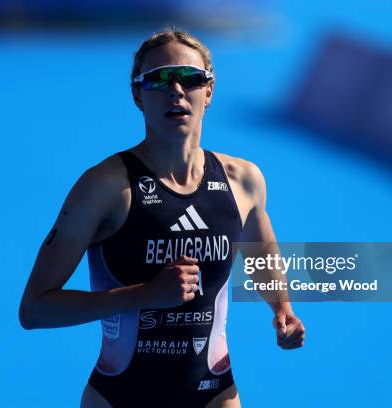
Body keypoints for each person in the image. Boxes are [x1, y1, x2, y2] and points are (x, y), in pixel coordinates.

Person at [19, 30, 305, 408]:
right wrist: (145, 295)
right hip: (120, 397)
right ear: (137, 95)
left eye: (190, 78)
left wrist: (282, 308)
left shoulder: (244, 180)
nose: (175, 90)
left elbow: (261, 254)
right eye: (158, 79)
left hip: (214, 393)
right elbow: (35, 309)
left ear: (209, 90)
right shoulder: (104, 187)